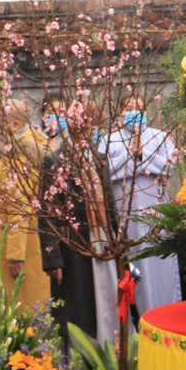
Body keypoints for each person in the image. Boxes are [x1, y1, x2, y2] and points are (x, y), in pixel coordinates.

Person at [37, 98, 106, 343]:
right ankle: (77, 364)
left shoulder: (98, 158)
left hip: (103, 243)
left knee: (105, 301)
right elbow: (47, 212)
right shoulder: (54, 162)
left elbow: (111, 207)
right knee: (78, 307)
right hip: (72, 246)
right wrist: (52, 257)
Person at [105, 95, 179, 315]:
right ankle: (141, 317)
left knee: (160, 261)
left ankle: (168, 312)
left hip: (155, 210)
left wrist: (142, 155)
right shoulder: (111, 139)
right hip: (127, 213)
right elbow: (108, 171)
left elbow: (169, 166)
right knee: (136, 264)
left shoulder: (160, 136)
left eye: (138, 108)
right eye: (128, 108)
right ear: (119, 114)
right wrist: (131, 156)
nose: (134, 113)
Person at [0, 99, 49, 309]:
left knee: (19, 309)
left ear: (14, 125)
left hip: (13, 247)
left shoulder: (19, 157)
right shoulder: (15, 154)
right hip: (7, 239)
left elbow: (18, 208)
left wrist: (14, 255)